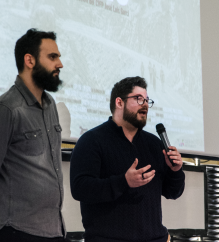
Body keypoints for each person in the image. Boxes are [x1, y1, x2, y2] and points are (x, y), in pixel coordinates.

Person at [0, 28, 69, 242]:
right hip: (16, 230)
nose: (60, 64)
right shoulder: (6, 109)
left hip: (53, 229)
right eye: (53, 57)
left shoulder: (50, 105)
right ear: (29, 60)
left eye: (59, 57)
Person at [70, 76, 185, 242]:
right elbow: (80, 188)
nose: (145, 104)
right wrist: (124, 182)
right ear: (119, 102)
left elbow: (173, 192)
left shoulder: (154, 143)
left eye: (147, 100)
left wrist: (175, 171)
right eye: (138, 99)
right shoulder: (92, 140)